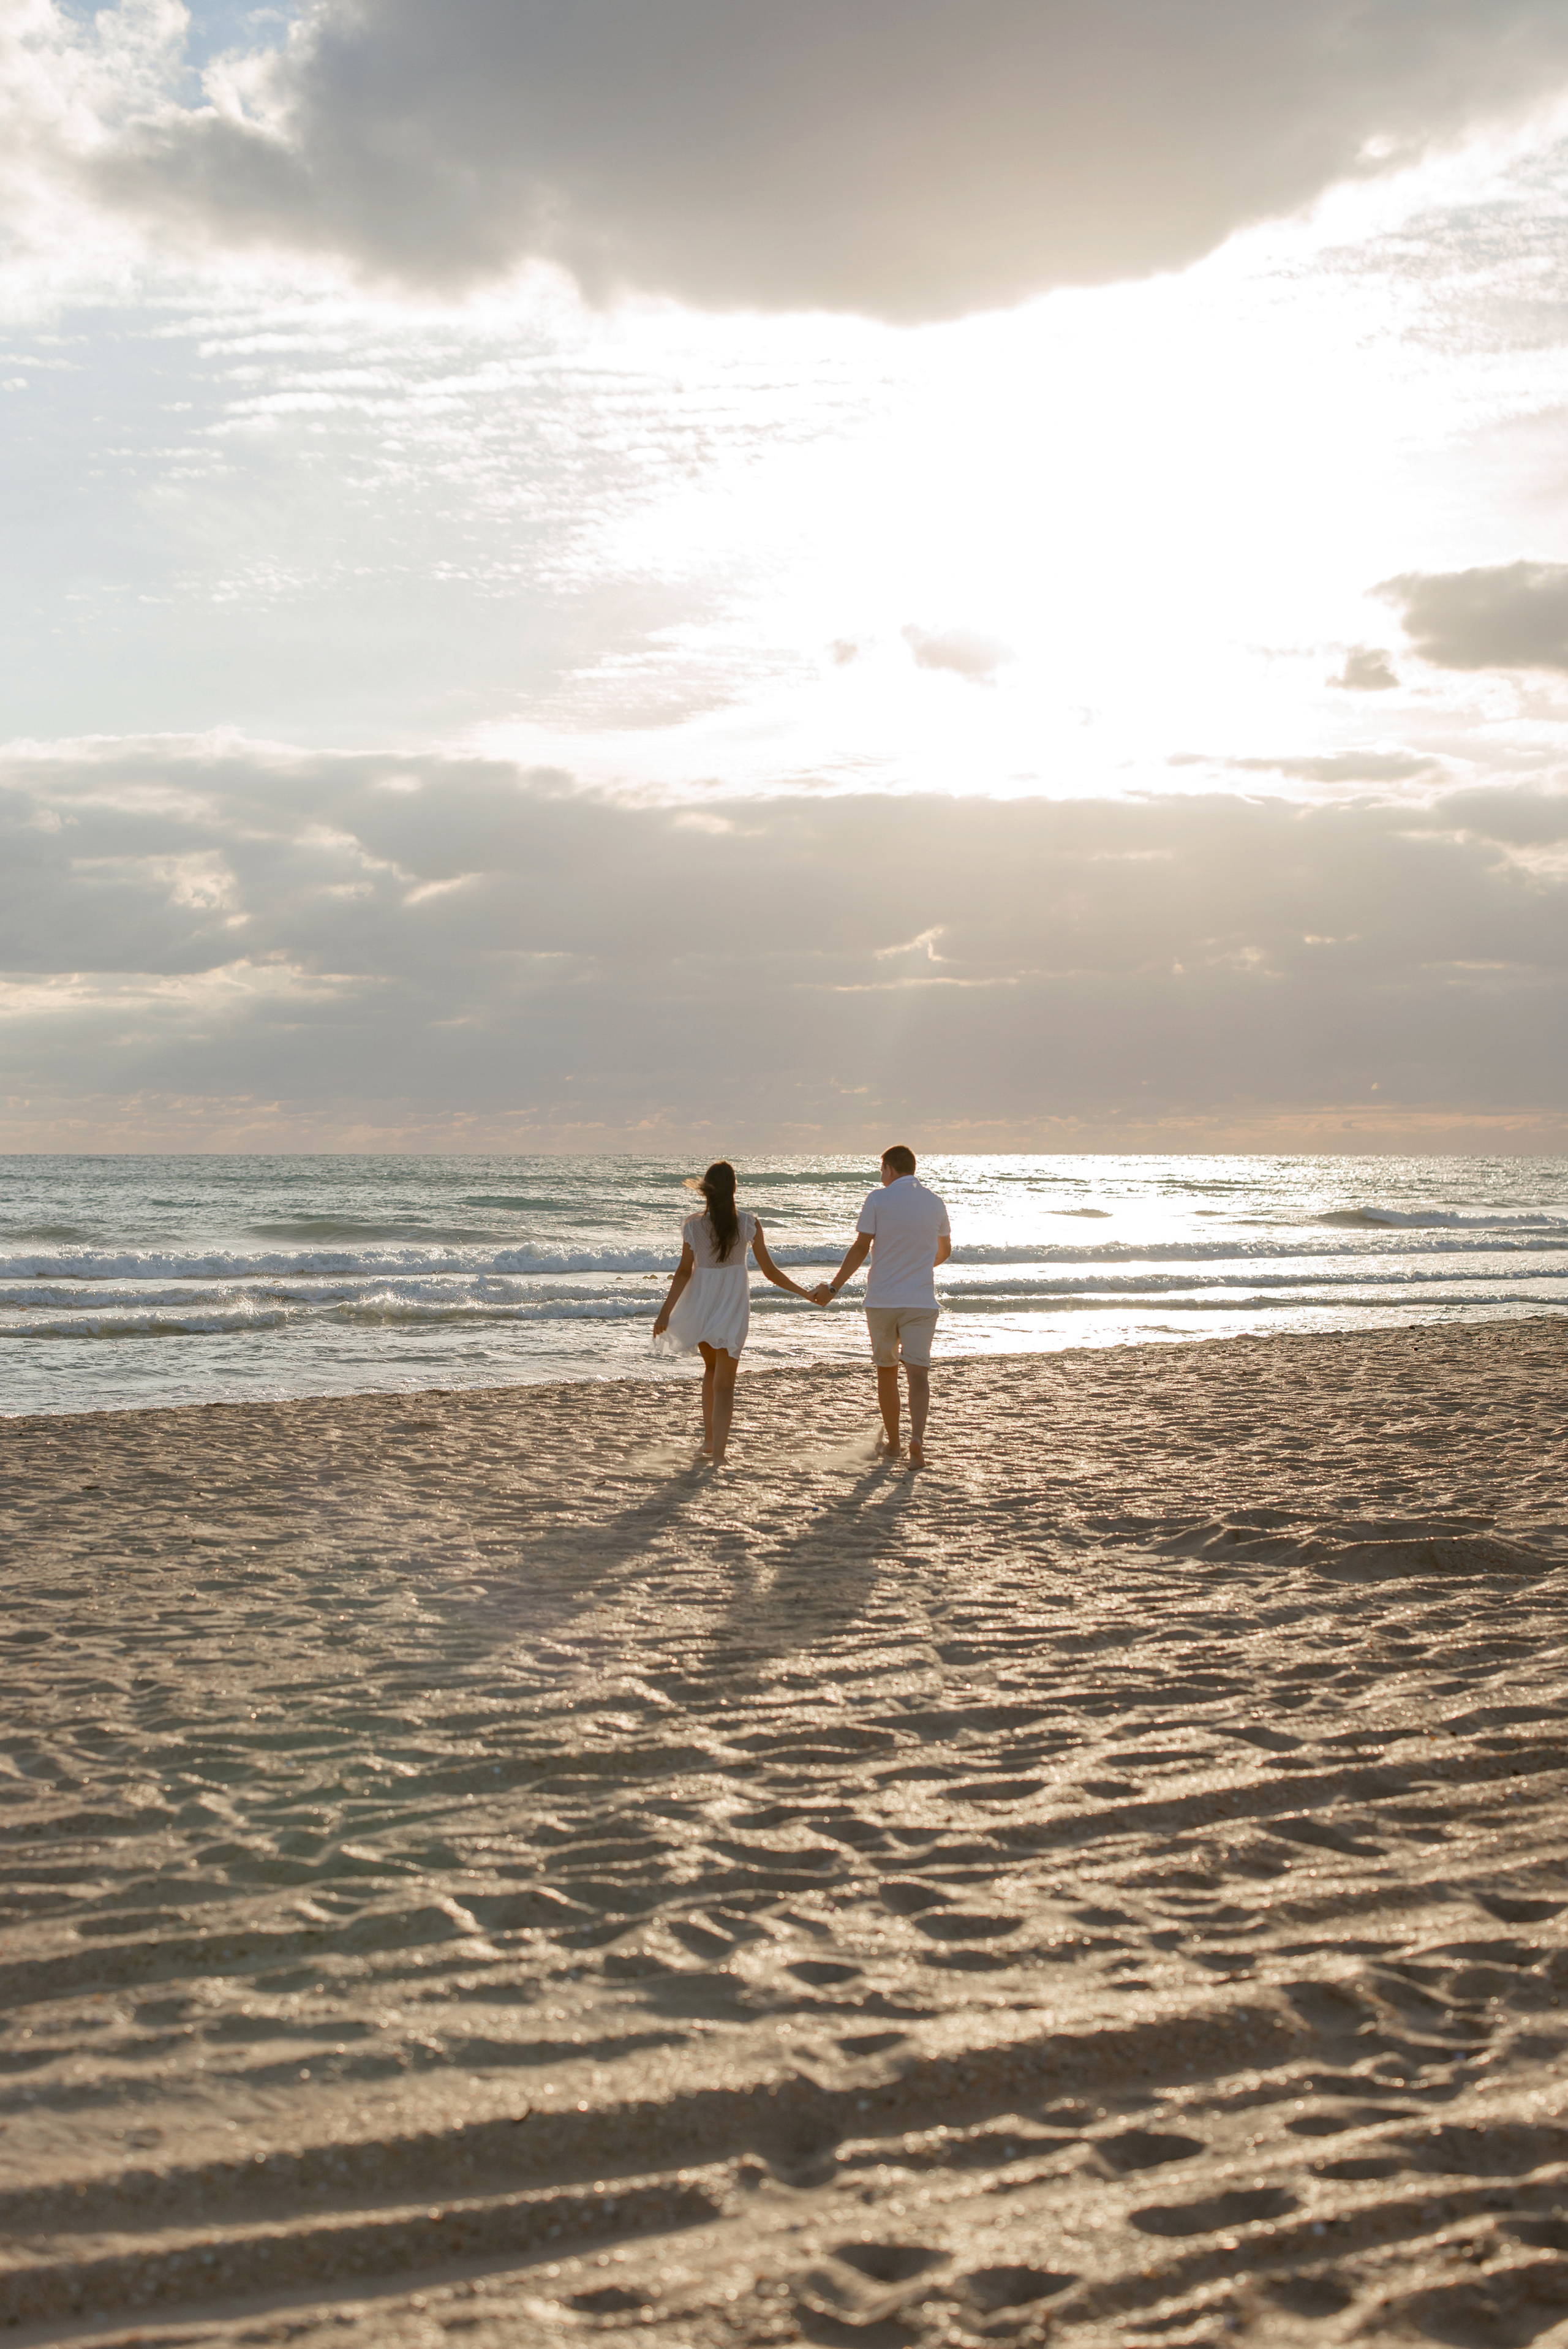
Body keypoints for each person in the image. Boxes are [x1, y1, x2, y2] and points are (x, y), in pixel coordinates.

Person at [652, 1159, 817, 1465]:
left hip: (702, 1304)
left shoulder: (693, 1227)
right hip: (732, 1306)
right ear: (734, 1189)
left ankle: (710, 1441)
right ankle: (718, 1454)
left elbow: (684, 1272)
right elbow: (770, 1272)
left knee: (711, 1371)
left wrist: (665, 1312)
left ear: (707, 1191)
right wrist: (805, 1293)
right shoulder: (748, 1224)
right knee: (725, 1383)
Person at [813, 1145, 951, 1466]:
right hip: (920, 1302)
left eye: (882, 1170)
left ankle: (894, 1444)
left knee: (887, 1372)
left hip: (883, 1302)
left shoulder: (877, 1199)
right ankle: (917, 1441)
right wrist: (919, 1266)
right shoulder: (935, 1202)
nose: (881, 1177)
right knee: (918, 1374)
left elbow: (861, 1247)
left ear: (889, 1168)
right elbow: (945, 1251)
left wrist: (833, 1287)